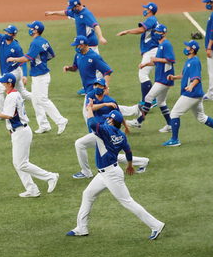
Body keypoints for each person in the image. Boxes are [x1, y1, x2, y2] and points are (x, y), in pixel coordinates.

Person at [66, 104, 165, 240]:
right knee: (87, 194)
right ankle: (81, 228)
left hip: (111, 175)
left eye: (108, 118)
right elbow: (128, 151)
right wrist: (129, 165)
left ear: (112, 121)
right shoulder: (121, 135)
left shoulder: (105, 130)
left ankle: (156, 225)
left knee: (128, 201)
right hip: (106, 173)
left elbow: (92, 123)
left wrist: (89, 109)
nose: (106, 119)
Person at [0, 73, 59, 197]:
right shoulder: (15, 94)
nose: (1, 84)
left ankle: (50, 177)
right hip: (18, 130)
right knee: (18, 163)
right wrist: (10, 127)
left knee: (22, 163)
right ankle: (32, 189)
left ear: (9, 84)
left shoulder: (11, 96)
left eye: (3, 82)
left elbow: (8, 114)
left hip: (21, 132)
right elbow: (14, 114)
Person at [73, 78, 150, 179]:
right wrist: (104, 105)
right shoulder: (91, 95)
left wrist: (126, 126)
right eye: (95, 85)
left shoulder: (111, 101)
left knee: (79, 144)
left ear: (104, 88)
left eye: (99, 85)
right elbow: (89, 108)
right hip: (97, 131)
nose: (96, 87)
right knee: (108, 155)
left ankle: (86, 172)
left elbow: (119, 115)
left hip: (104, 132)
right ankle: (143, 161)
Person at [0, 21, 52, 133]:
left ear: (14, 35)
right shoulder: (2, 39)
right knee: (24, 93)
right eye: (6, 31)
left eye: (9, 32)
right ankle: (39, 100)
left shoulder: (16, 47)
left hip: (14, 73)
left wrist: (24, 75)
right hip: (9, 73)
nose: (7, 33)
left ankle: (3, 113)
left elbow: (24, 61)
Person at [163, 40, 213, 146]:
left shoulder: (194, 62)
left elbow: (196, 78)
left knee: (174, 114)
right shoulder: (189, 60)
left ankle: (174, 139)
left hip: (191, 94)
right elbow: (185, 74)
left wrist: (191, 86)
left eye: (188, 47)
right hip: (196, 94)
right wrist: (174, 77)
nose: (186, 48)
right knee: (201, 117)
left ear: (192, 50)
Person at [7, 21, 69, 135]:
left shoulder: (35, 43)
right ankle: (44, 125)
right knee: (36, 101)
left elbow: (26, 58)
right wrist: (42, 61)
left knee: (43, 99)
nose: (29, 29)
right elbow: (51, 55)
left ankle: (61, 121)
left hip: (41, 76)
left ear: (35, 30)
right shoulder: (44, 41)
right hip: (39, 74)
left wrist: (13, 59)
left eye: (31, 28)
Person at [45, 0, 107, 96]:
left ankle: (100, 86)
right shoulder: (75, 12)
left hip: (89, 44)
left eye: (72, 7)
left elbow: (96, 25)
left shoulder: (86, 14)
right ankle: (89, 86)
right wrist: (53, 13)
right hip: (81, 44)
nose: (71, 9)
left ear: (77, 6)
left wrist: (101, 37)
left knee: (96, 66)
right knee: (84, 65)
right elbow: (65, 12)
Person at [126, 24, 175, 132]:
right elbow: (157, 61)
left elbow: (171, 59)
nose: (156, 33)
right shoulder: (160, 45)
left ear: (164, 33)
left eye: (158, 32)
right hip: (163, 78)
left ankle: (139, 121)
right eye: (156, 31)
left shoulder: (166, 44)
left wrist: (156, 59)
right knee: (161, 102)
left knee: (148, 98)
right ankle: (170, 124)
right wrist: (146, 64)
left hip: (164, 78)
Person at [116, 2, 160, 103]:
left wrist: (127, 31)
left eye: (146, 9)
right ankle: (149, 99)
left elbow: (142, 29)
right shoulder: (153, 20)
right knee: (143, 74)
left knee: (143, 74)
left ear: (150, 10)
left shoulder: (151, 19)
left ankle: (149, 100)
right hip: (150, 50)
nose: (144, 10)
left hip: (152, 50)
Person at [64, 36, 113, 122]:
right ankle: (134, 110)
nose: (76, 48)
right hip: (87, 88)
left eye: (77, 45)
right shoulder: (78, 55)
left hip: (94, 88)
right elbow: (75, 67)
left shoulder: (94, 57)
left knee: (87, 111)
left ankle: (94, 133)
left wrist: (106, 88)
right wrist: (68, 68)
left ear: (82, 45)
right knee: (104, 109)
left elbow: (107, 71)